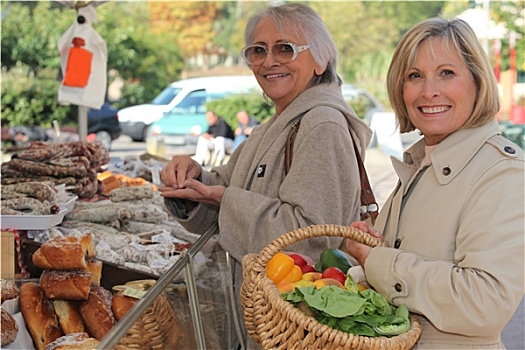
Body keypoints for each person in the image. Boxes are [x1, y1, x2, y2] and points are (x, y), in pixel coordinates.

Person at [159, 3, 371, 348]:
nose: (268, 61)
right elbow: (228, 184)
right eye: (258, 51)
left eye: (285, 48)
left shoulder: (322, 125)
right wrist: (192, 180)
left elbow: (310, 238)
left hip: (297, 330)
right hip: (268, 327)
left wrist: (222, 198)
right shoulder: (277, 124)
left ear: (320, 60)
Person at [345, 17, 524, 349]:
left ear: (478, 82)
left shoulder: (502, 172)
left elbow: (485, 302)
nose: (429, 91)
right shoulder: (422, 163)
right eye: (415, 76)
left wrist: (378, 262)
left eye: (447, 73)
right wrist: (369, 252)